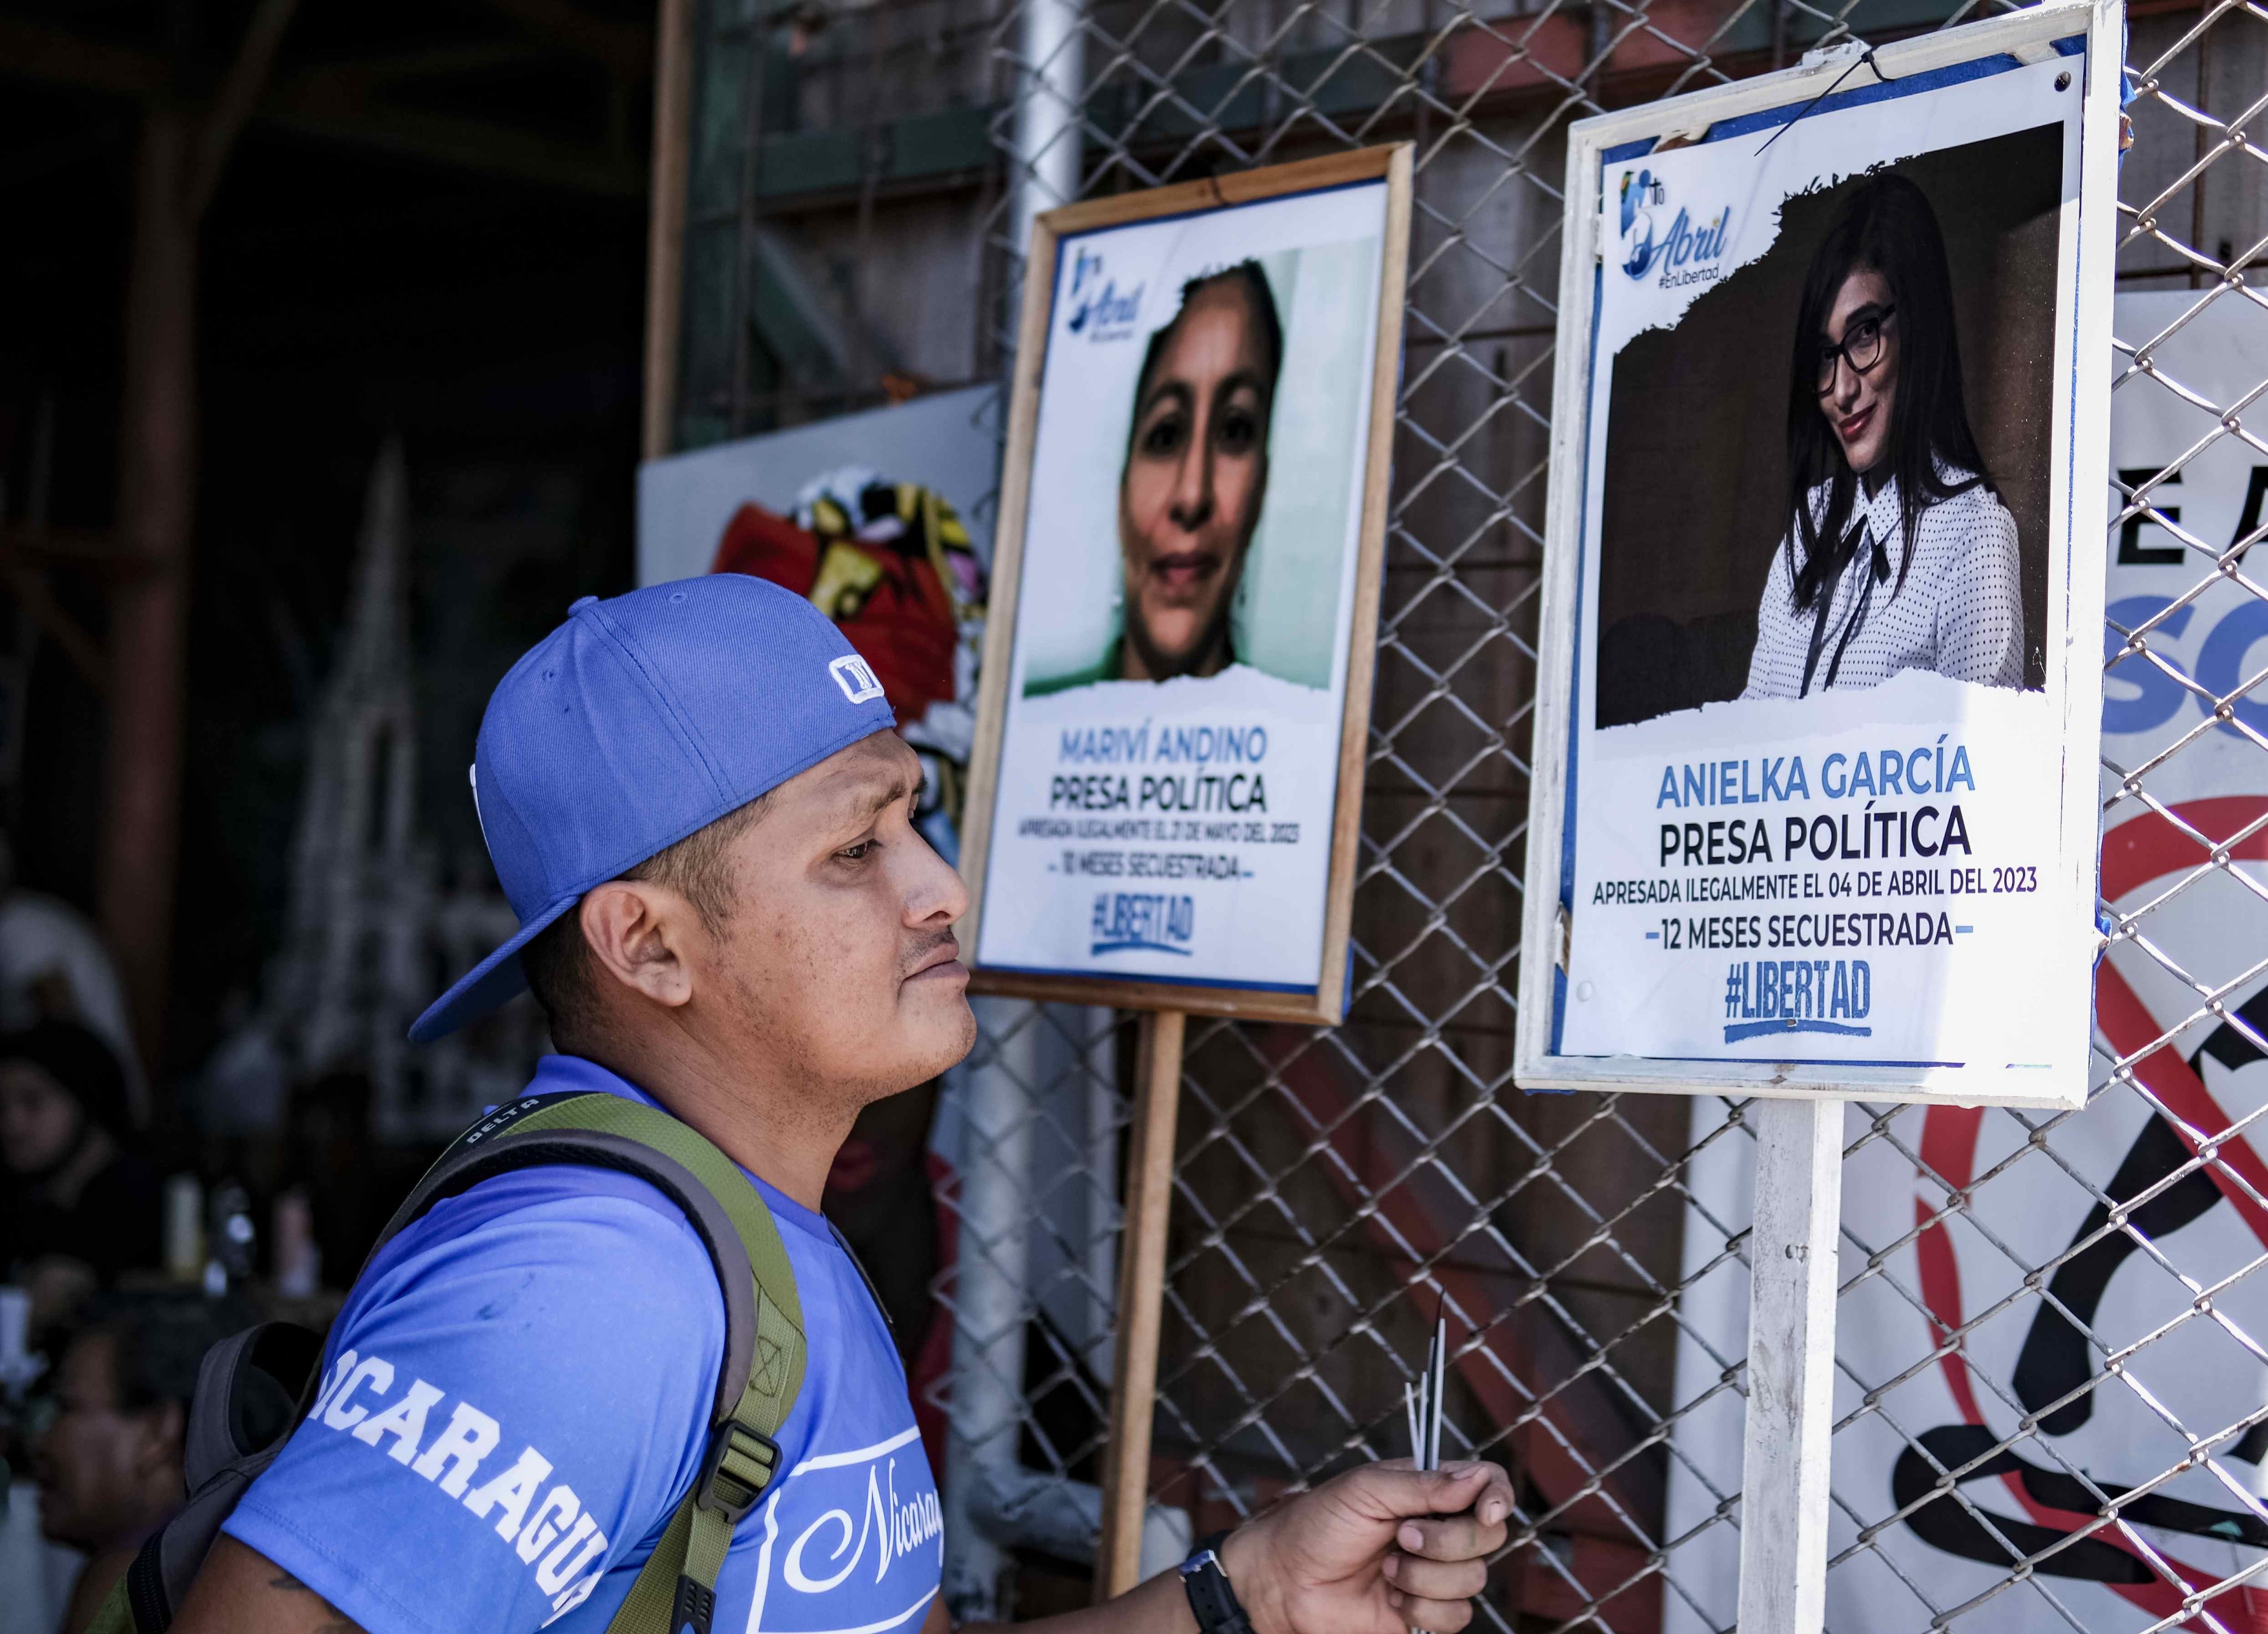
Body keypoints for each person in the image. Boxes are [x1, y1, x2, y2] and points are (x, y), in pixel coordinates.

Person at [171, 575, 1512, 1634]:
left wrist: (1252, 1594)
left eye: (913, 824)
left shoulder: (764, 1238)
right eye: (854, 847)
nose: (940, 888)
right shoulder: (591, 1289)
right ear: (646, 945)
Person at [1740, 173, 2025, 698]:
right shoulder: (1808, 529)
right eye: (1826, 355)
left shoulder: (1972, 534)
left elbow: (1981, 771)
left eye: (1865, 333)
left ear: (1919, 327)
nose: (1842, 390)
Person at [1033, 263, 1280, 693]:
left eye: (1235, 430)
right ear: (1121, 479)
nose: (1192, 495)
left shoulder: (1298, 743)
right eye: (1165, 435)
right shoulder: (1033, 731)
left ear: (1262, 482)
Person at [32, 1291, 258, 1634]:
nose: (42, 1442)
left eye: (67, 1407)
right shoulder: (246, 1571)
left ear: (158, 1432)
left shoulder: (127, 1580)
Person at [0, 1018, 165, 1326]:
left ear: (86, 1098)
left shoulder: (146, 1200)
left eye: (32, 1101)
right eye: (2, 1106)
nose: (12, 1125)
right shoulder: (23, 1204)